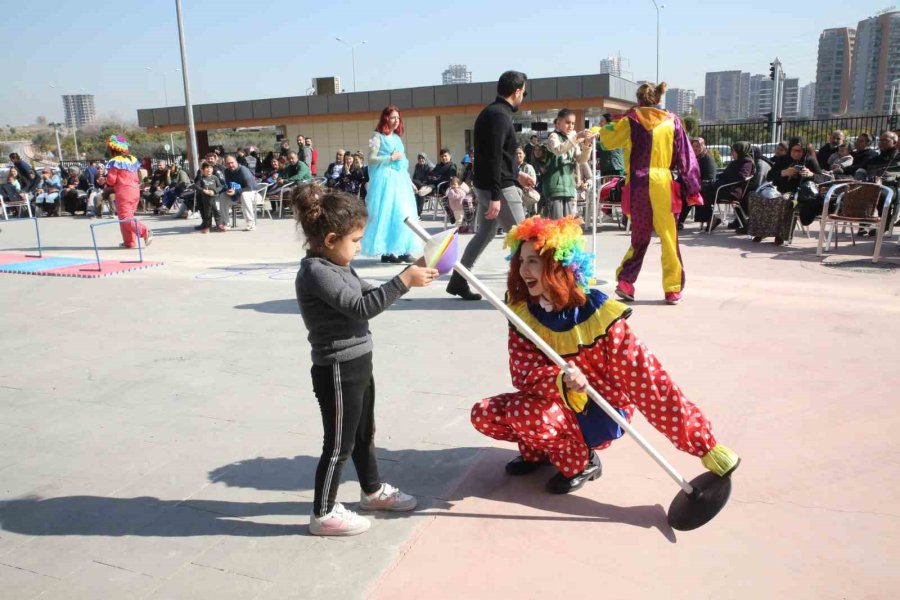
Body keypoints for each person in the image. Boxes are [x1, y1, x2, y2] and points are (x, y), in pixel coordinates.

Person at [471, 215, 740, 494]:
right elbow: (523, 373)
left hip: (600, 410)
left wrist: (704, 445)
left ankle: (580, 461)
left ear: (558, 265)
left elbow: (651, 384)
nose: (524, 270)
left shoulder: (598, 315)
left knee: (528, 416)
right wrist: (561, 383)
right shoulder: (523, 311)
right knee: (484, 414)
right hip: (548, 400)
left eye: (534, 261)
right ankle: (540, 453)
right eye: (521, 261)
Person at [292, 183, 438, 536]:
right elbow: (360, 307)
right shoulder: (316, 272)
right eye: (355, 241)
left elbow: (362, 293)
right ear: (329, 239)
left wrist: (415, 267)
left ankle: (371, 491)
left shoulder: (335, 265)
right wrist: (404, 280)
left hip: (357, 363)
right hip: (337, 369)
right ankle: (323, 513)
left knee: (363, 434)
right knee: (339, 443)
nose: (358, 248)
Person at [597, 82, 701, 305]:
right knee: (668, 236)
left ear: (639, 99)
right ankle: (672, 289)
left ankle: (626, 281)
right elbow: (686, 156)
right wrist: (692, 188)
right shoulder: (672, 121)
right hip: (663, 183)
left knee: (640, 235)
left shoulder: (631, 119)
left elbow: (607, 140)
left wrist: (602, 128)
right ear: (658, 99)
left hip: (638, 183)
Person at [446, 70, 529, 301]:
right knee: (524, 239)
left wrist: (518, 175)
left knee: (485, 233)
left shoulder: (492, 113)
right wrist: (495, 194)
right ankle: (518, 291)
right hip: (498, 188)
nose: (524, 97)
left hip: (488, 185)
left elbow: (499, 157)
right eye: (525, 92)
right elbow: (492, 157)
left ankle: (459, 280)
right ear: (517, 91)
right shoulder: (499, 116)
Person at [360, 105, 422, 264]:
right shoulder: (376, 137)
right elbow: (371, 159)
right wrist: (390, 158)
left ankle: (404, 249)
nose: (396, 120)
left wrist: (410, 182)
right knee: (387, 213)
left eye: (398, 118)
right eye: (393, 117)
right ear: (386, 118)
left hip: (400, 181)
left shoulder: (397, 138)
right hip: (385, 181)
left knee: (403, 212)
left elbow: (403, 162)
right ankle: (387, 252)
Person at [539, 109, 592, 219]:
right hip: (554, 187)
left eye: (573, 123)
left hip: (569, 186)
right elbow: (558, 150)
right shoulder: (553, 136)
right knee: (555, 223)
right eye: (568, 122)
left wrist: (587, 146)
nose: (571, 126)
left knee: (567, 223)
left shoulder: (572, 139)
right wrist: (576, 138)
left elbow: (581, 160)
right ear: (558, 123)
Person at [695, 141, 754, 233]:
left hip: (732, 191)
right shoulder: (736, 162)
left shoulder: (747, 162)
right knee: (701, 191)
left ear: (740, 151)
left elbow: (742, 176)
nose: (731, 153)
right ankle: (711, 218)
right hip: (724, 187)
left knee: (703, 193)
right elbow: (725, 174)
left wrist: (725, 178)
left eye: (733, 151)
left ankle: (712, 219)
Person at [105, 135, 153, 248]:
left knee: (125, 218)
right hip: (135, 191)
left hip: (124, 192)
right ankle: (129, 242)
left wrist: (105, 179)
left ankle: (145, 231)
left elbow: (112, 180)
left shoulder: (115, 162)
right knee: (126, 217)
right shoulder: (132, 159)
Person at [679, 137, 717, 228]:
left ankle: (710, 219)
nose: (695, 148)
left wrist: (694, 184)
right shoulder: (693, 158)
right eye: (694, 146)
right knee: (681, 191)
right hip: (695, 186)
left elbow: (710, 177)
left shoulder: (707, 159)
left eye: (698, 146)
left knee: (691, 194)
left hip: (707, 187)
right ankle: (679, 220)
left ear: (703, 146)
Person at [223, 154, 260, 231]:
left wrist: (235, 191)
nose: (230, 165)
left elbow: (249, 187)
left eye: (232, 162)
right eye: (228, 163)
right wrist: (228, 190)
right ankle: (226, 223)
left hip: (253, 194)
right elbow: (227, 185)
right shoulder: (226, 171)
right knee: (222, 196)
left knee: (244, 195)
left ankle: (251, 223)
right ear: (225, 164)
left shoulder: (243, 170)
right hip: (237, 194)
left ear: (236, 162)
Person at [194, 161, 226, 233]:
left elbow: (221, 186)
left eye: (211, 168)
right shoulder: (201, 179)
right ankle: (208, 227)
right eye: (206, 168)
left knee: (217, 212)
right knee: (207, 213)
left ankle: (219, 225)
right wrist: (204, 190)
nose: (209, 169)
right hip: (206, 199)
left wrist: (214, 191)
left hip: (215, 198)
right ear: (202, 170)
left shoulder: (215, 178)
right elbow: (196, 186)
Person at [514, 146, 539, 216]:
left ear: (524, 155)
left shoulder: (528, 167)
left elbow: (532, 183)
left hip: (526, 199)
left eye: (520, 153)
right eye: (516, 153)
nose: (518, 155)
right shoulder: (511, 168)